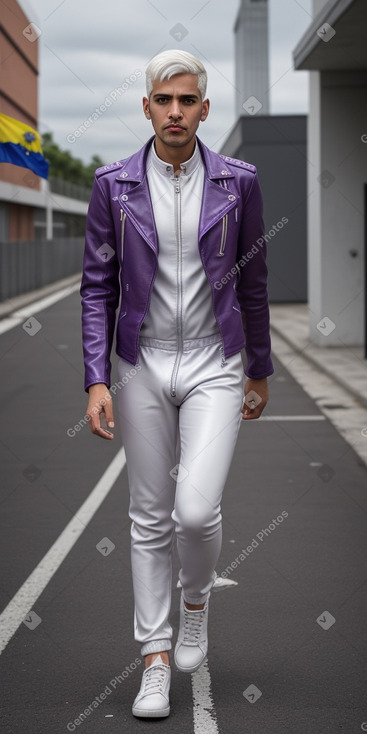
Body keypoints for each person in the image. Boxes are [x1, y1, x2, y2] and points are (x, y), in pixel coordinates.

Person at [80, 49, 274, 719]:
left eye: (186, 100)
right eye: (163, 100)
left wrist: (260, 368)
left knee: (194, 510)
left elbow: (253, 281)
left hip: (214, 360)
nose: (174, 112)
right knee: (146, 516)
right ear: (145, 107)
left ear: (203, 108)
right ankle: (154, 659)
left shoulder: (237, 183)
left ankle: (195, 606)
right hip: (140, 359)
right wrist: (96, 375)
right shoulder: (112, 185)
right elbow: (96, 286)